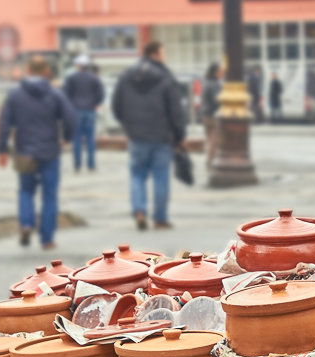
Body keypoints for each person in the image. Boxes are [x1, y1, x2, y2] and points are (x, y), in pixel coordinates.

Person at [0, 54, 77, 250]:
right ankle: (47, 239)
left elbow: (5, 122)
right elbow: (71, 118)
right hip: (50, 150)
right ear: (46, 72)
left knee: (25, 191)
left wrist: (1, 149)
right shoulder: (55, 93)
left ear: (28, 71)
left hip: (24, 151)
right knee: (49, 195)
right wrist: (66, 137)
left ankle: (26, 224)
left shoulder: (15, 94)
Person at [112, 41, 186, 230]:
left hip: (137, 135)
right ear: (154, 54)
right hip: (161, 135)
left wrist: (129, 125)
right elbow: (175, 109)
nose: (165, 56)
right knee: (160, 176)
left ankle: (139, 211)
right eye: (163, 52)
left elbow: (116, 105)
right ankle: (160, 219)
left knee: (137, 175)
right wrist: (179, 134)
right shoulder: (165, 77)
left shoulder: (126, 75)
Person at [63, 54, 106, 173]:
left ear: (79, 65)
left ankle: (77, 166)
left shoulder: (71, 78)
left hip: (76, 111)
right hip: (90, 110)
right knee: (90, 139)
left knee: (76, 139)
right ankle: (91, 165)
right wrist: (95, 103)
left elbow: (65, 94)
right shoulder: (94, 78)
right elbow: (101, 94)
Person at [201, 61, 222, 166]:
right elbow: (217, 100)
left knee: (210, 140)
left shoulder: (206, 81)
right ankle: (210, 163)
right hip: (213, 115)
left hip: (205, 115)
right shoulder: (215, 83)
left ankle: (210, 161)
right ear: (215, 72)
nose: (222, 73)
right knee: (215, 141)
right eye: (220, 71)